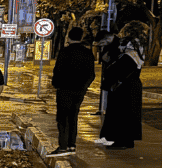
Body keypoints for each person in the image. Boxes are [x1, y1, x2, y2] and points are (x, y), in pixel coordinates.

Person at [48, 26, 96, 157]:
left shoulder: (65, 52)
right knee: (73, 117)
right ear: (81, 37)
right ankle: (71, 145)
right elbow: (91, 74)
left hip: (64, 89)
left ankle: (62, 146)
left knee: (63, 118)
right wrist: (84, 87)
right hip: (79, 90)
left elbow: (58, 70)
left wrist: (56, 84)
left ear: (69, 37)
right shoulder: (88, 53)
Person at [98, 21, 145, 149]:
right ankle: (127, 140)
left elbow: (120, 66)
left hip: (123, 86)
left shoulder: (128, 49)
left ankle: (119, 141)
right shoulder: (137, 47)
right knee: (129, 114)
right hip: (131, 85)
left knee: (120, 114)